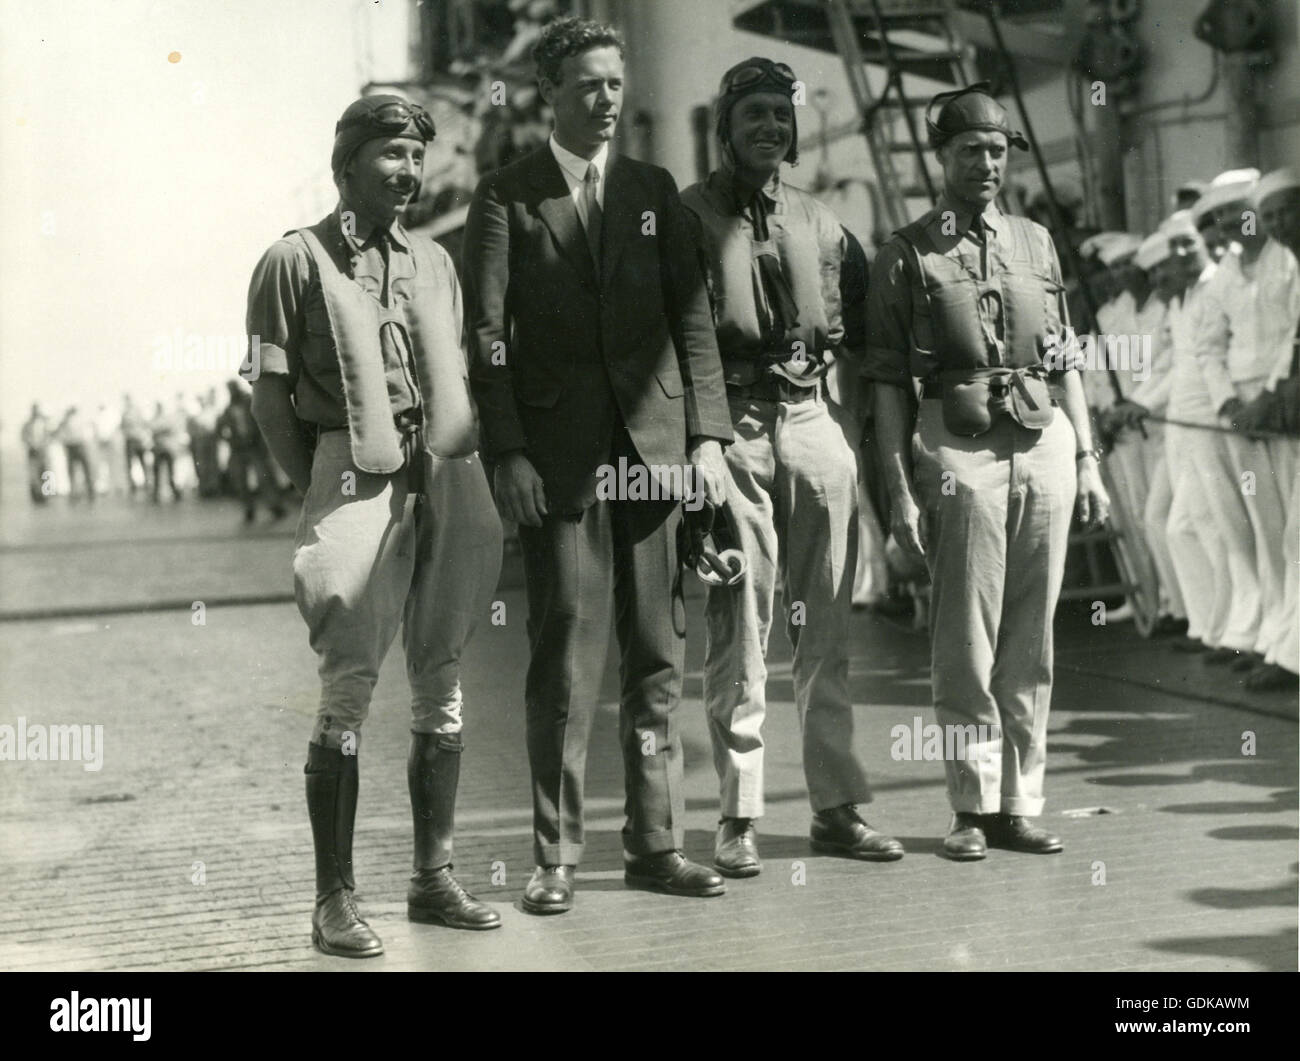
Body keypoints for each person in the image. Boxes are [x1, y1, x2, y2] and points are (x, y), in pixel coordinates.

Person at [464, 15, 733, 914]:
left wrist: (707, 439)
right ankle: (558, 853)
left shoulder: (657, 191)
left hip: (654, 454)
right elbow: (489, 337)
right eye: (588, 83)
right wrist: (507, 449)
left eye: (616, 81)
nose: (608, 98)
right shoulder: (507, 196)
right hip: (562, 460)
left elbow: (693, 323)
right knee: (566, 659)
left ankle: (657, 841)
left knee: (658, 656)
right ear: (550, 93)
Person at [247, 93, 504, 957]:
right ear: (348, 163)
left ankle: (432, 879)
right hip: (353, 474)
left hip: (447, 477)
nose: (408, 172)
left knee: (444, 678)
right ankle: (334, 899)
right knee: (348, 687)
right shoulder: (294, 260)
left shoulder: (436, 261)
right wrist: (325, 489)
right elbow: (269, 397)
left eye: (415, 156)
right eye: (390, 154)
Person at [864, 83, 1109, 861]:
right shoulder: (905, 253)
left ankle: (1020, 802)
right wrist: (899, 486)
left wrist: (1088, 459)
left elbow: (1068, 358)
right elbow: (886, 384)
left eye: (997, 150)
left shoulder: (1038, 242)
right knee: (965, 637)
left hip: (1045, 446)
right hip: (956, 446)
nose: (986, 163)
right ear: (940, 158)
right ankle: (971, 805)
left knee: (1031, 637)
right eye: (969, 149)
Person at [679, 57, 901, 878]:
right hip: (732, 427)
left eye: (781, 113)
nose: (769, 127)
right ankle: (738, 814)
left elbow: (866, 325)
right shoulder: (686, 217)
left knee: (827, 627)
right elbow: (677, 339)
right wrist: (699, 442)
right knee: (740, 626)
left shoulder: (824, 221)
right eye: (753, 114)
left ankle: (837, 806)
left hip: (813, 420)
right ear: (725, 126)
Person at [1192, 168, 1298, 681]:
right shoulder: (1225, 276)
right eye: (1219, 217)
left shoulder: (1288, 259)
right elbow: (1209, 347)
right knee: (1266, 530)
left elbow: (1294, 337)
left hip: (1283, 407)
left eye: (1238, 211)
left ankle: (1288, 646)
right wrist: (1228, 403)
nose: (1230, 223)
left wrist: (1270, 395)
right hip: (1241, 416)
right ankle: (1273, 636)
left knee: (1294, 534)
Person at [217, 380, 285, 522]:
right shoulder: (229, 408)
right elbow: (219, 428)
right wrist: (230, 440)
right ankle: (249, 508)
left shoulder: (248, 402)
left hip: (254, 445)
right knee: (241, 480)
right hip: (239, 448)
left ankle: (274, 505)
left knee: (264, 477)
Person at [58, 405, 96, 501]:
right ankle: (78, 491)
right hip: (73, 446)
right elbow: (61, 434)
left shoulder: (78, 420)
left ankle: (88, 490)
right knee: (75, 470)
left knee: (83, 469)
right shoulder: (66, 421)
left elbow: (87, 432)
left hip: (78, 445)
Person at [149, 399, 182, 502]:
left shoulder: (166, 418)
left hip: (167, 448)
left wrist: (159, 430)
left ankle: (175, 491)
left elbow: (170, 429)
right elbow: (152, 429)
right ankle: (156, 493)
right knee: (157, 471)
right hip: (158, 449)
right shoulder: (155, 419)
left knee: (171, 471)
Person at [21, 403, 52, 504]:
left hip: (43, 452)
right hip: (32, 452)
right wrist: (31, 443)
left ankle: (46, 496)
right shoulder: (27, 424)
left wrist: (43, 444)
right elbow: (23, 437)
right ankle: (35, 497)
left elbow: (49, 436)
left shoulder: (44, 423)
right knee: (33, 475)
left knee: (44, 473)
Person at [121, 395, 151, 496]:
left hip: (138, 440)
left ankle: (147, 482)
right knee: (129, 463)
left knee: (142, 461)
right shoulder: (125, 413)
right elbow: (122, 427)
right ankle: (132, 484)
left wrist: (143, 436)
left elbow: (145, 424)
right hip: (130, 440)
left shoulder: (138, 412)